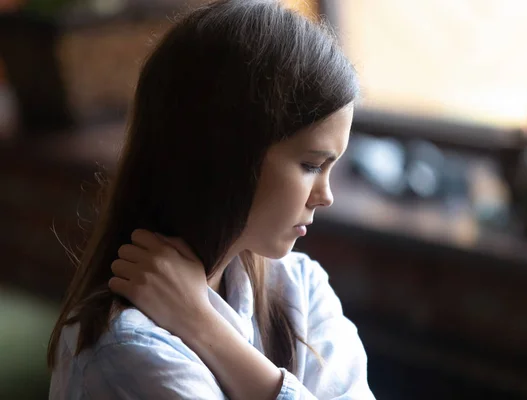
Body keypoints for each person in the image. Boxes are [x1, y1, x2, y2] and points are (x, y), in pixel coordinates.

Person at [47, 0, 375, 398]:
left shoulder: (299, 286)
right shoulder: (129, 351)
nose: (326, 197)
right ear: (228, 153)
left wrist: (203, 325)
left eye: (330, 167)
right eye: (310, 165)